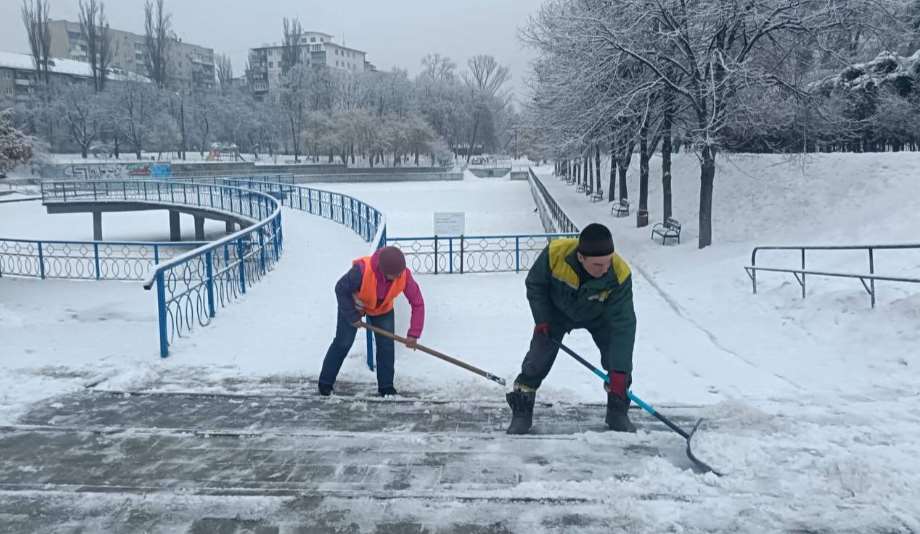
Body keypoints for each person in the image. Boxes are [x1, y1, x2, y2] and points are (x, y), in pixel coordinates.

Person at [506, 223, 637, 434]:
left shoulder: (619, 274)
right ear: (580, 257)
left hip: (600, 316)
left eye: (608, 262)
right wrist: (542, 320)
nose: (605, 269)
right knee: (537, 359)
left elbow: (624, 325)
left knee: (618, 360)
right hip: (556, 314)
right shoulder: (555, 254)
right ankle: (522, 409)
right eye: (597, 265)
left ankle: (618, 411)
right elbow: (535, 284)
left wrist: (620, 372)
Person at [318, 246, 425, 397]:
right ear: (382, 270)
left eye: (400, 273)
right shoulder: (361, 271)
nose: (398, 277)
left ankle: (386, 387)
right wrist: (352, 316)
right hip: (354, 305)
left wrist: (414, 333)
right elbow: (340, 289)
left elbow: (417, 303)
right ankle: (325, 383)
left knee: (386, 346)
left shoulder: (404, 276)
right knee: (343, 342)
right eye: (394, 275)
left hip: (382, 309)